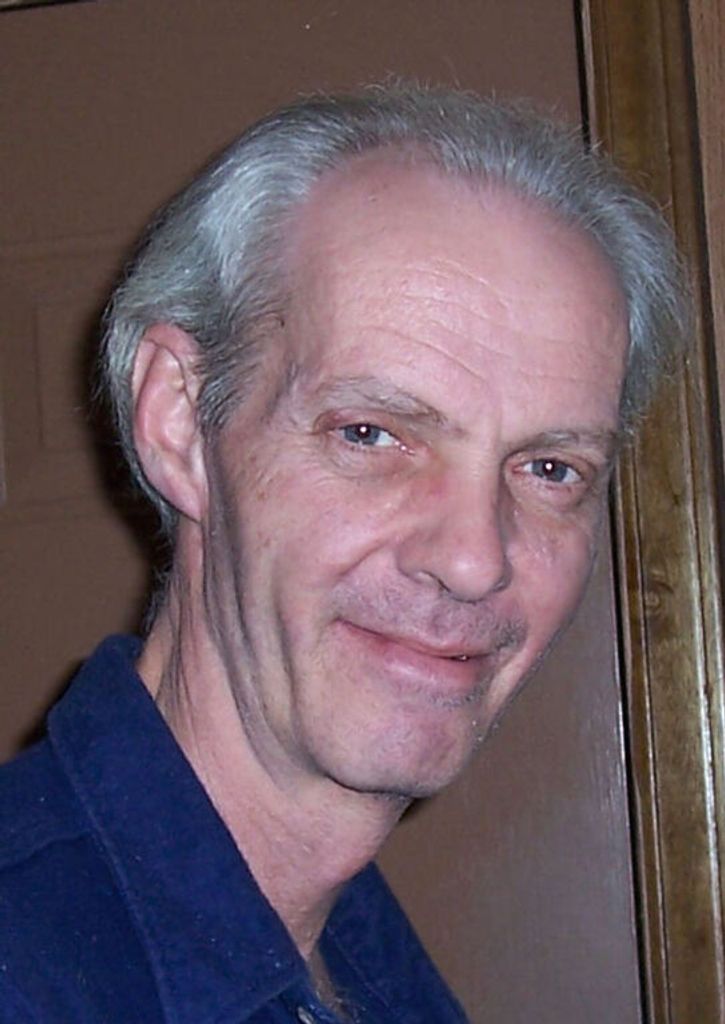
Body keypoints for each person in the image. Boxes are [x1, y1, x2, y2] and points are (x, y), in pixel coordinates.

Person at [0, 84, 686, 1023]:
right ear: (179, 422)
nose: (473, 559)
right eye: (370, 434)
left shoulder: (360, 962)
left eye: (548, 468)